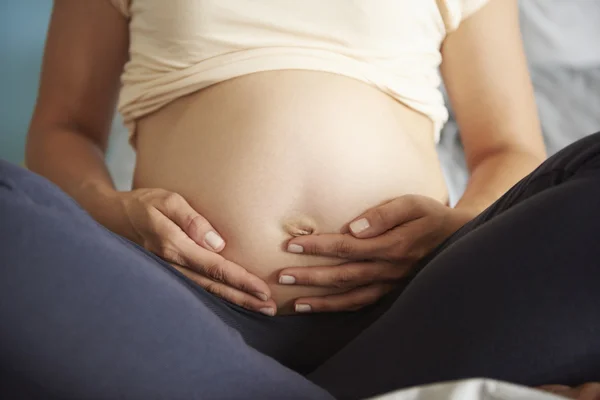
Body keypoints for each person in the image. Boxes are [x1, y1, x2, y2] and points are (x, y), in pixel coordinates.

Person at [1, 0, 598, 398]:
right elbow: (63, 129)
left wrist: (458, 225)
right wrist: (119, 215)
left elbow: (509, 149)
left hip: (414, 306)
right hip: (183, 305)